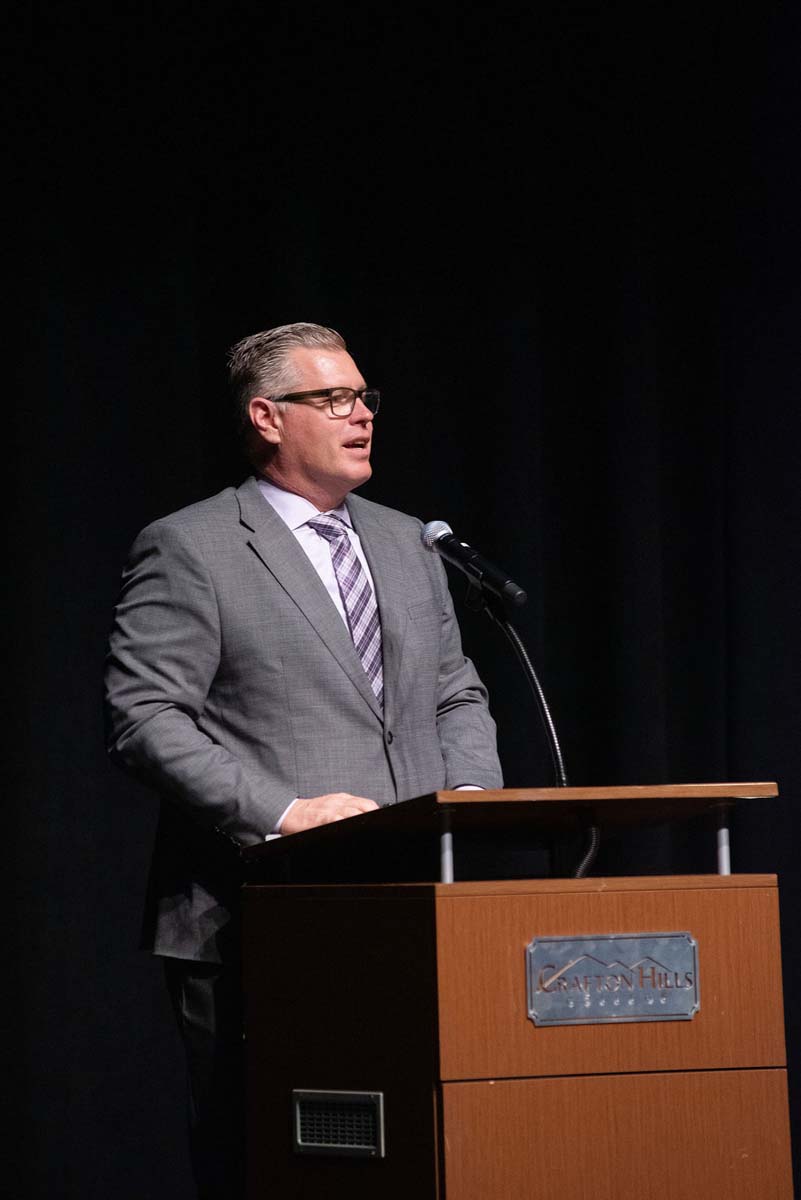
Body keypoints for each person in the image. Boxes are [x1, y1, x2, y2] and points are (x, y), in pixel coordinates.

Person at [104, 322, 503, 1198]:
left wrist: (469, 797)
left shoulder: (409, 542)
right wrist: (286, 814)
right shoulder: (194, 546)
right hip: (257, 912)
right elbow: (144, 717)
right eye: (332, 400)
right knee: (274, 1160)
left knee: (422, 1151)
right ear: (267, 416)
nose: (360, 416)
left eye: (362, 398)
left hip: (415, 904)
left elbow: (453, 694)